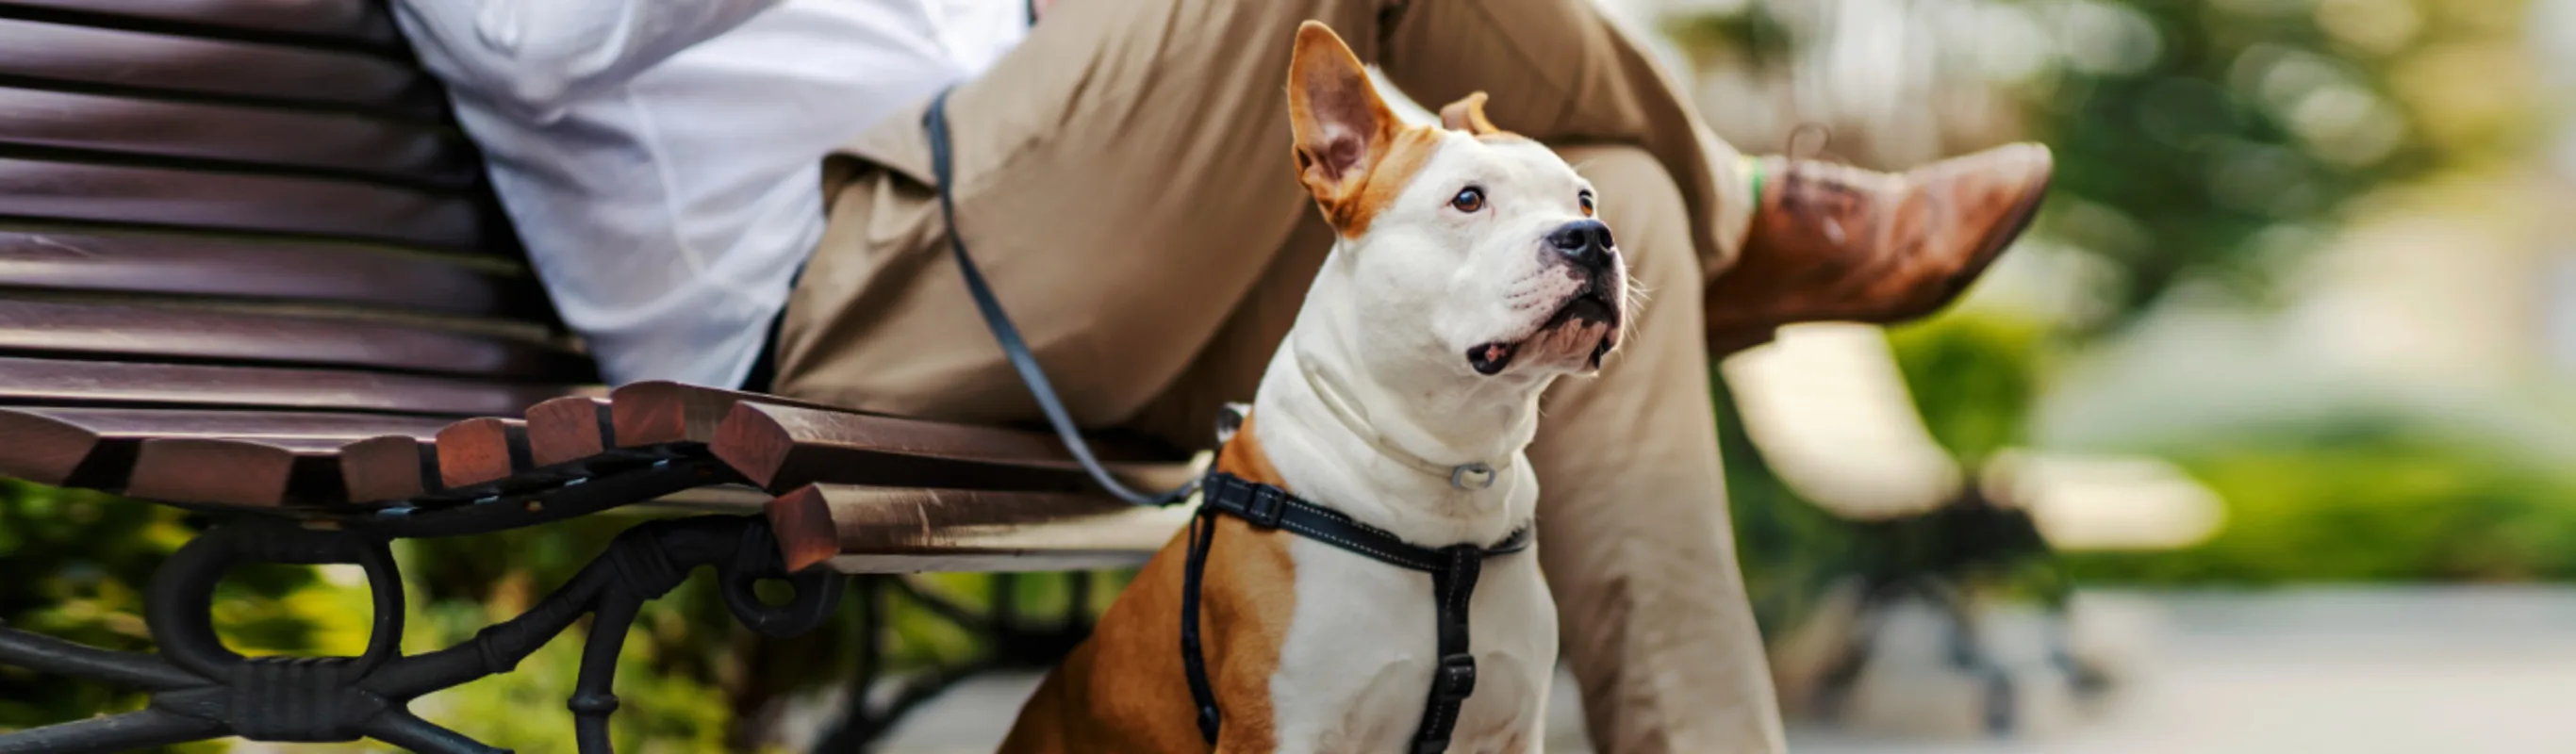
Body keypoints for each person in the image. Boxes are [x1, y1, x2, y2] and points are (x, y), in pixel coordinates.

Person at [388, 2, 2051, 751]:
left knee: (1611, 190)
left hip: (1045, 261)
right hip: (830, 303)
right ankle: (1765, 207)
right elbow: (523, 35)